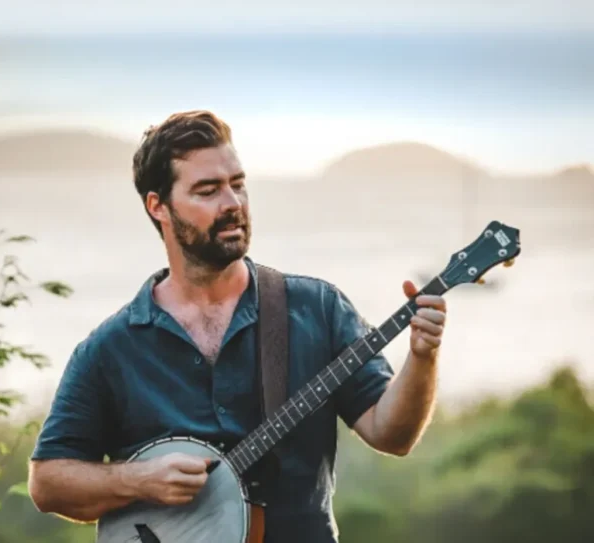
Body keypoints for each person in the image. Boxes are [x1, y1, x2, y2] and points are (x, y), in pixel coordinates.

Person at [27, 110, 447, 542]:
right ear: (159, 207)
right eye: (208, 191)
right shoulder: (111, 348)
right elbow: (48, 483)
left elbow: (391, 434)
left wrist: (422, 355)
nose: (233, 204)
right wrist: (138, 479)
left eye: (238, 184)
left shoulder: (316, 307)